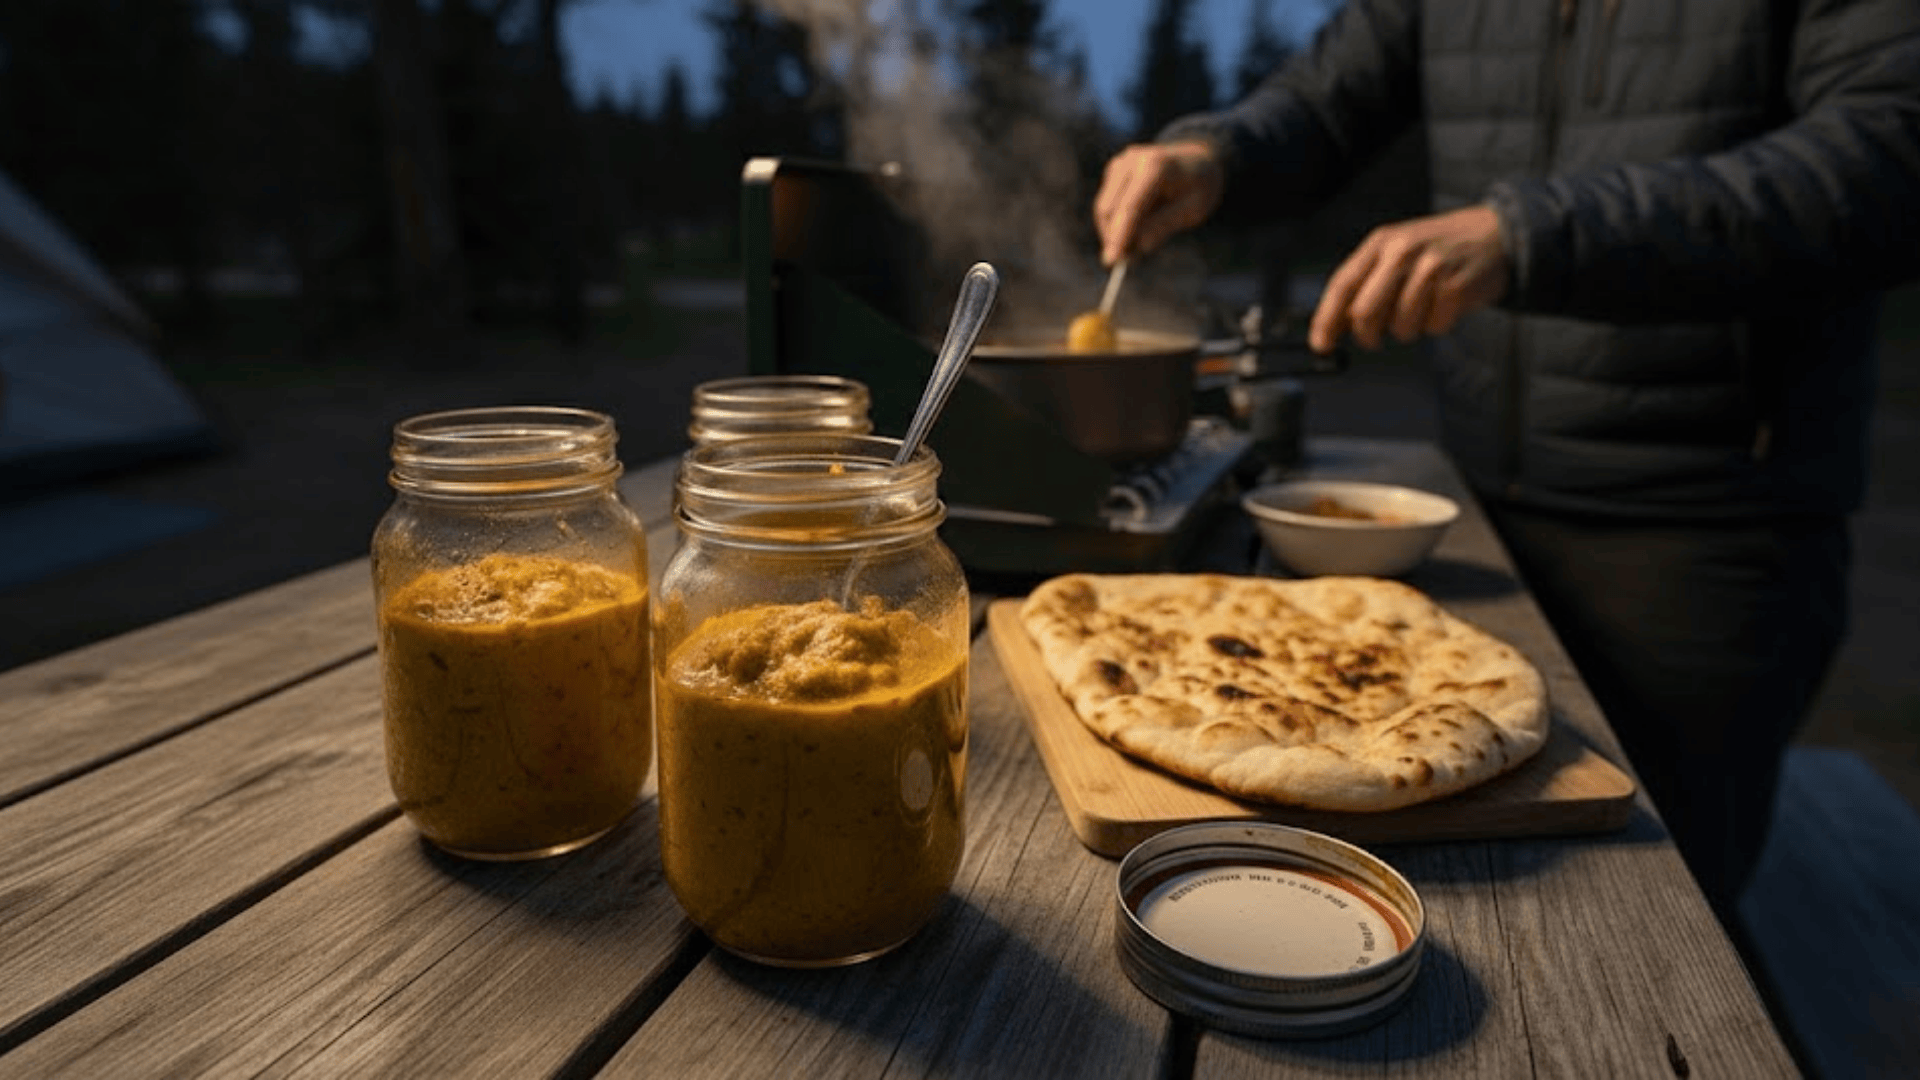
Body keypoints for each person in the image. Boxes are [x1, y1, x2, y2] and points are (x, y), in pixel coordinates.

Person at [1093, 0, 1920, 934]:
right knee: (1456, 903)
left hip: (1704, 531)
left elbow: (1889, 152)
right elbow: (1328, 100)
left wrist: (1535, 234)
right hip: (1480, 506)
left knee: (1655, 925)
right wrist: (1217, 156)